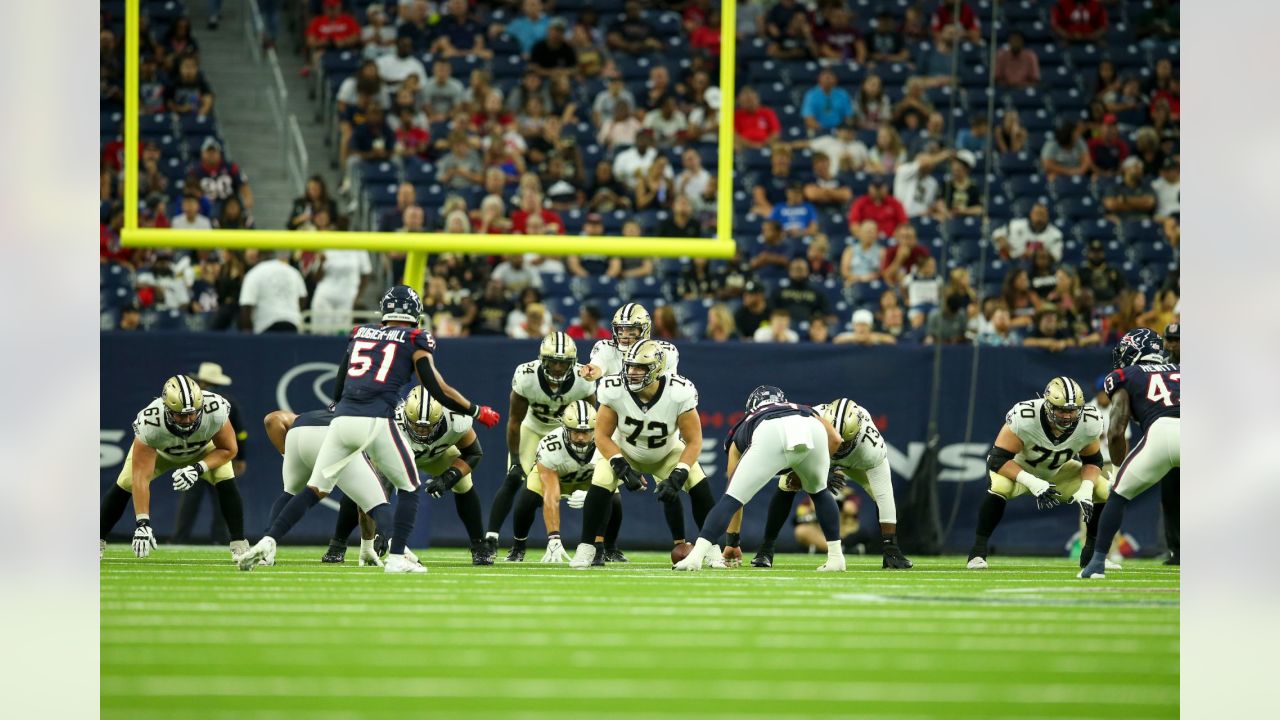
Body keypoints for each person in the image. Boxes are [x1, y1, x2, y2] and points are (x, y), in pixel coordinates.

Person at [236, 286, 500, 572]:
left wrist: (337, 408)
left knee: (315, 489)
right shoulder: (415, 338)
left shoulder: (361, 333)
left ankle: (267, 540)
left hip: (342, 418)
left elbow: (341, 379)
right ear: (416, 314)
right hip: (377, 419)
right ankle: (397, 557)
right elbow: (436, 388)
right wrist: (476, 410)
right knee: (409, 487)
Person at [571, 341, 716, 568]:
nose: (632, 373)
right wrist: (621, 466)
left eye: (640, 368)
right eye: (629, 366)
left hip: (666, 452)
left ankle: (712, 549)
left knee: (698, 484)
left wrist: (679, 474)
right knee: (600, 483)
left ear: (656, 369)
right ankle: (586, 547)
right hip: (625, 450)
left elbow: (694, 440)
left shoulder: (679, 391)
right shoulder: (613, 388)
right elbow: (602, 435)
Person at [675, 387, 846, 572]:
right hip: (810, 426)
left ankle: (696, 557)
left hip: (769, 429)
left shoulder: (744, 424)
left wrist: (732, 542)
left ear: (752, 407)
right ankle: (837, 558)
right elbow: (836, 439)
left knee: (731, 498)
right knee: (820, 492)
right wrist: (816, 470)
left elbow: (733, 496)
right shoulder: (802, 407)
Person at [968, 377, 1113, 570]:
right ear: (1048, 405)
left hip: (1057, 472)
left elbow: (1093, 461)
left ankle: (1093, 555)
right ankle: (978, 552)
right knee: (1000, 486)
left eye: (1072, 410)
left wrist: (1086, 489)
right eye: (1061, 409)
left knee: (1102, 489)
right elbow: (997, 460)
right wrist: (1032, 482)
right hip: (1019, 470)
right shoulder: (1025, 416)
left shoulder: (1090, 421)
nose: (1067, 416)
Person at [99, 376, 247, 561]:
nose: (188, 420)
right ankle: (98, 540)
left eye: (192, 413)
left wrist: (198, 468)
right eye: (180, 415)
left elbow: (229, 449)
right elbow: (141, 478)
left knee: (226, 479)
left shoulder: (215, 408)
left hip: (203, 451)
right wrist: (142, 523)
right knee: (126, 483)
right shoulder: (150, 421)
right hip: (162, 454)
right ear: (167, 409)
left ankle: (239, 544)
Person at [485, 333, 598, 561]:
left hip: (569, 434)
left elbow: (591, 421)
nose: (557, 367)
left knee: (603, 485)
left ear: (573, 363)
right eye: (552, 361)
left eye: (563, 362)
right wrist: (516, 460)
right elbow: (515, 421)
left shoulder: (583, 378)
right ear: (541, 359)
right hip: (534, 429)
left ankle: (607, 546)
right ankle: (490, 540)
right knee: (514, 478)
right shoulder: (526, 375)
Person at [1080, 329, 1180, 578]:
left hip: (1162, 433)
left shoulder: (1126, 375)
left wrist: (1117, 470)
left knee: (1118, 494)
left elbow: (1115, 431)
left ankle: (1097, 564)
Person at [261, 407, 395, 568]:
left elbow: (272, 419)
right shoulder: (378, 421)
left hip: (299, 432)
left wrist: (287, 453)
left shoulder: (342, 407)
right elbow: (365, 503)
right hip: (335, 436)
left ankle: (265, 546)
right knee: (375, 502)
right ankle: (399, 552)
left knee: (291, 493)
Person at [171, 363, 248, 545]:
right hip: (218, 457)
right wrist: (241, 458)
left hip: (197, 455)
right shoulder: (228, 402)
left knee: (191, 500)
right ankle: (219, 540)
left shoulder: (188, 403)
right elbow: (241, 433)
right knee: (222, 498)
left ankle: (179, 539)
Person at [578, 304, 680, 382]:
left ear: (644, 330)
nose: (624, 335)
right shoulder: (606, 348)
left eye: (631, 330)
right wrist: (592, 371)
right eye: (620, 329)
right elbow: (597, 366)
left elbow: (668, 389)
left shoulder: (664, 351)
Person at [237, 252, 307, 334]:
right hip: (292, 324)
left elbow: (246, 305)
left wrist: (248, 334)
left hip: (265, 326)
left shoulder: (254, 273)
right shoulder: (293, 271)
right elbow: (303, 299)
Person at [310, 249, 373, 334]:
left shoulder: (359, 248)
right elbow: (316, 278)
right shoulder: (326, 244)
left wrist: (358, 297)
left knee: (341, 333)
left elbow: (365, 274)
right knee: (320, 332)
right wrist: (321, 263)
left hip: (347, 297)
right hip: (325, 296)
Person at [993, 201, 1064, 261]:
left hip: (1039, 268)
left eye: (1042, 214)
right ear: (1031, 214)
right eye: (1037, 213)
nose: (1039, 217)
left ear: (1047, 216)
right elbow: (997, 234)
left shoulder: (1055, 234)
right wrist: (1002, 240)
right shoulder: (1015, 225)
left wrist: (1039, 253)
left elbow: (1056, 256)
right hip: (1014, 262)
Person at [801, 68, 855, 135]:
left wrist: (846, 129)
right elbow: (808, 118)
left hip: (840, 130)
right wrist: (824, 131)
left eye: (830, 77)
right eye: (826, 78)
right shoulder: (811, 95)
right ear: (819, 79)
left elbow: (849, 116)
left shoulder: (842, 94)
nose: (828, 80)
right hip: (819, 130)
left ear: (836, 79)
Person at [1103, 157, 1156, 222]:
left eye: (1141, 168)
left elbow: (1149, 203)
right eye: (1136, 167)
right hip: (1121, 220)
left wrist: (1124, 200)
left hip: (1141, 220)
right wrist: (1139, 204)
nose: (1140, 170)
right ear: (1126, 169)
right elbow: (1111, 205)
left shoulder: (1146, 187)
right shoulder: (1115, 187)